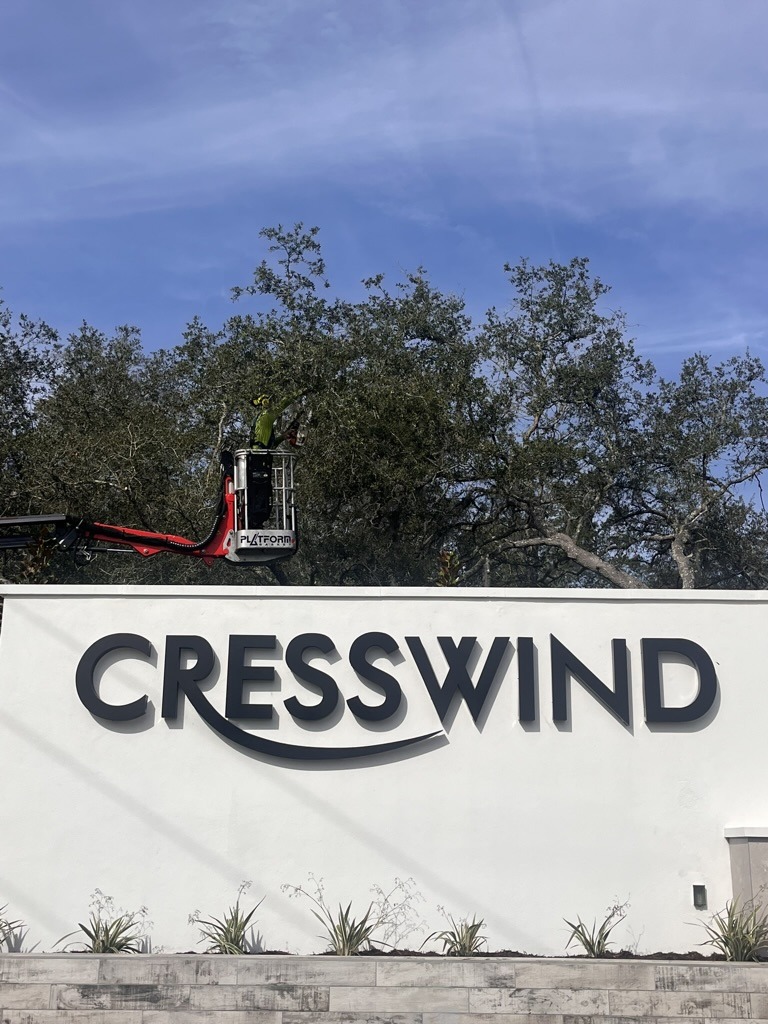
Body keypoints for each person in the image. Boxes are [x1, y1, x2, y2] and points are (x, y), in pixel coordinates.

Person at [247, 393, 299, 529]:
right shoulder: (265, 418)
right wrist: (299, 392)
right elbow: (282, 404)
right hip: (259, 461)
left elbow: (270, 444)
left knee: (263, 492)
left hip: (260, 461)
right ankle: (255, 521)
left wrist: (284, 436)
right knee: (260, 493)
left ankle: (257, 522)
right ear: (265, 403)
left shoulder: (262, 422)